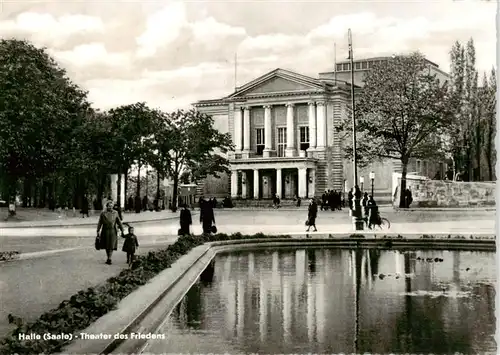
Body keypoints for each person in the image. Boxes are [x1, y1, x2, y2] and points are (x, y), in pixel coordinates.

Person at [96, 200, 124, 265]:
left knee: (111, 245)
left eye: (111, 206)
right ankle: (108, 256)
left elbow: (119, 222)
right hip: (105, 230)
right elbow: (100, 222)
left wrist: (122, 229)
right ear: (107, 206)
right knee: (106, 245)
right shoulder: (103, 213)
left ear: (113, 206)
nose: (110, 207)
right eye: (109, 206)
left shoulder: (115, 213)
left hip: (113, 231)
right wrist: (98, 230)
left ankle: (109, 258)